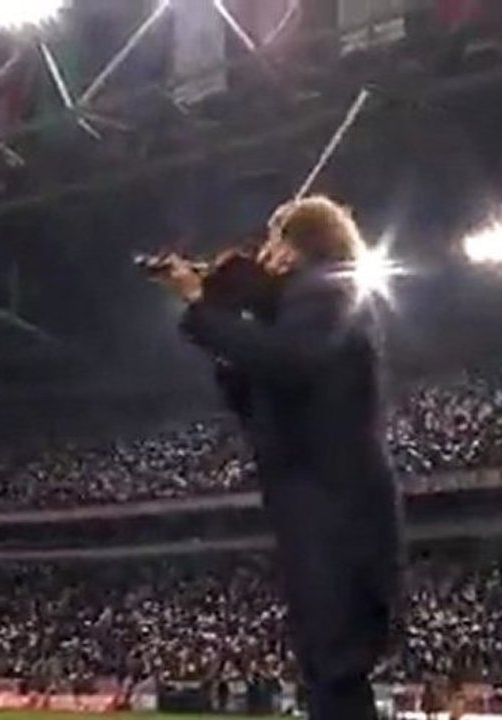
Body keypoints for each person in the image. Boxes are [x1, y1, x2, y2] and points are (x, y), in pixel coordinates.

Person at [156, 194, 403, 719]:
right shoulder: (302, 307)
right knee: (323, 662)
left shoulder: (327, 291)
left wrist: (205, 310)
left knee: (335, 663)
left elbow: (286, 362)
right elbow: (254, 396)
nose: (264, 254)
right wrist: (223, 314)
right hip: (320, 502)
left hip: (336, 504)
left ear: (298, 246)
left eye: (274, 241)